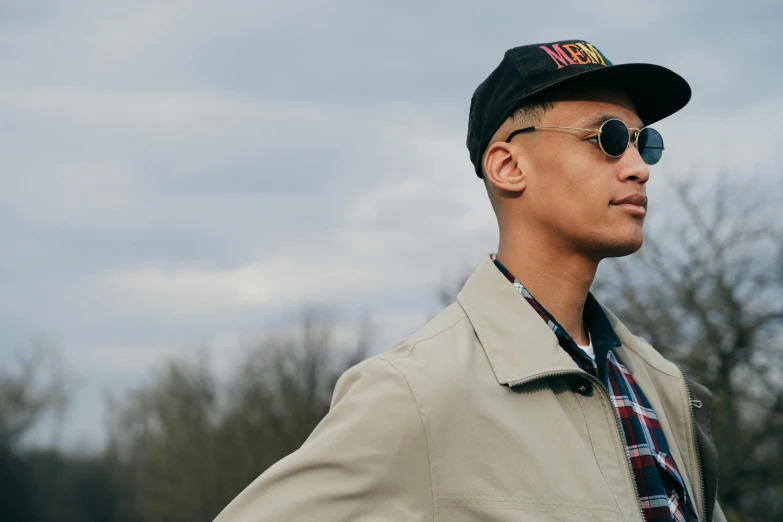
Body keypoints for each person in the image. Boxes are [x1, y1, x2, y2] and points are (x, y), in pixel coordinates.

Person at [214, 39, 725, 522]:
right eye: (608, 138)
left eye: (646, 143)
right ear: (507, 165)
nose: (639, 168)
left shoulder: (664, 389)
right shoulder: (414, 392)